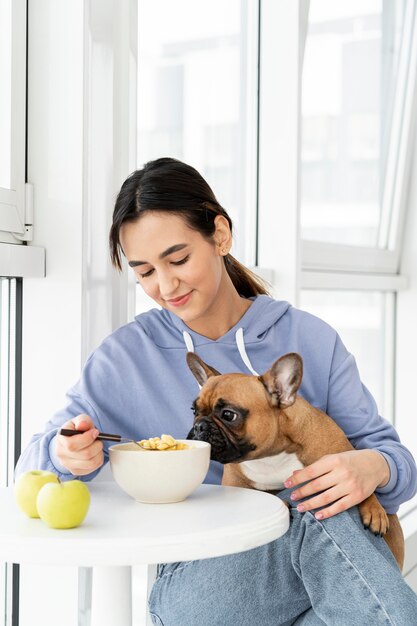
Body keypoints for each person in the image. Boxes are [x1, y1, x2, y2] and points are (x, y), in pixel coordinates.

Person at [16, 157, 417, 625]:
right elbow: (30, 472)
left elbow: (397, 466)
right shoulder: (125, 356)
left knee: (329, 551)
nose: (165, 286)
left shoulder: (311, 339)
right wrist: (68, 456)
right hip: (202, 576)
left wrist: (373, 466)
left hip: (320, 577)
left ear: (221, 235)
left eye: (178, 259)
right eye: (144, 272)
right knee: (320, 517)